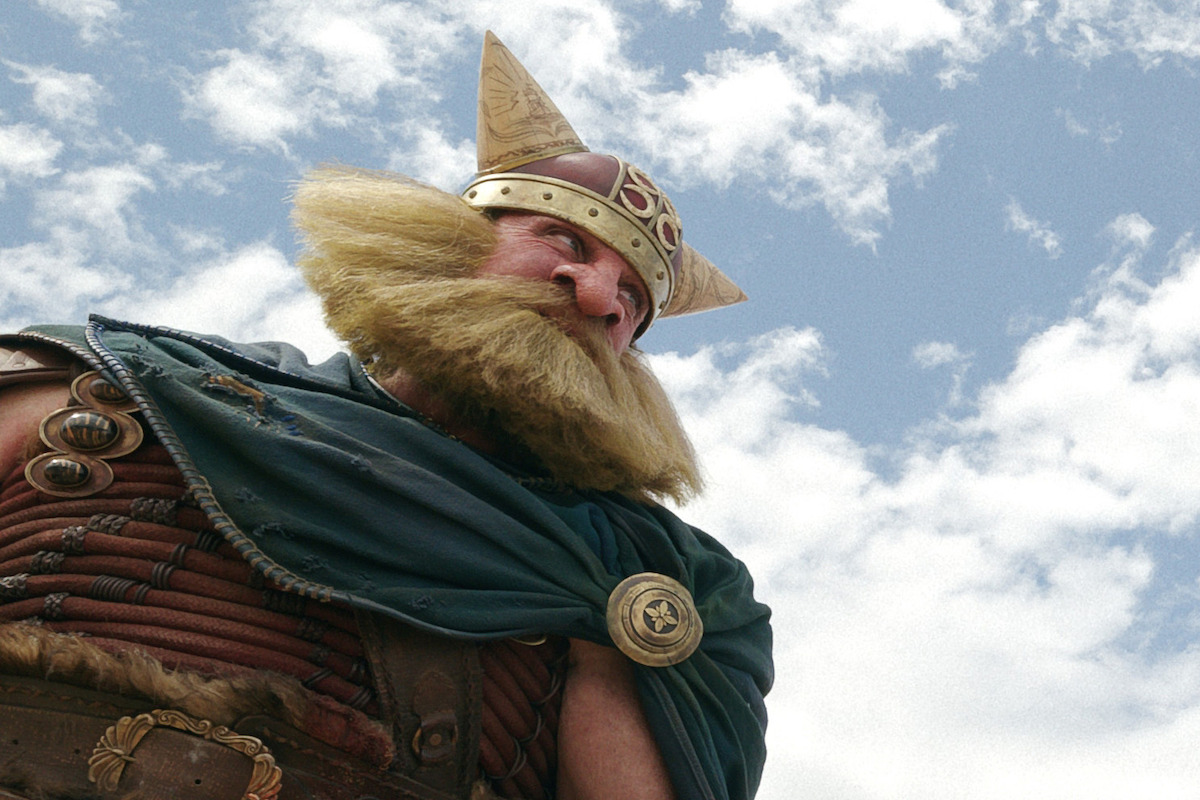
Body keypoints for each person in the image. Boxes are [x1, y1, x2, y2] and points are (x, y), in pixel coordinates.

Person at [0, 32, 772, 800]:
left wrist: (607, 613)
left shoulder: (652, 573)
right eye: (562, 239)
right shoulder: (118, 382)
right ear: (451, 240)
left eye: (632, 300)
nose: (599, 298)